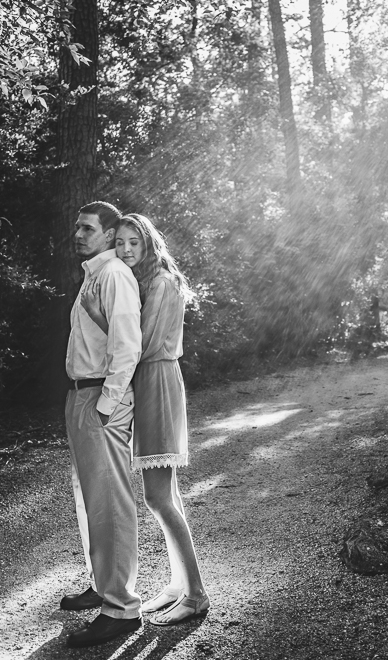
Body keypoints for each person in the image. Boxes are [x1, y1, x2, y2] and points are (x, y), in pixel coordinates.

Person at [114, 213, 209, 625]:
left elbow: (144, 344)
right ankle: (178, 584)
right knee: (168, 495)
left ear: (148, 242)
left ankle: (197, 595)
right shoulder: (147, 279)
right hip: (153, 381)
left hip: (156, 381)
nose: (125, 249)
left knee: (157, 497)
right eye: (120, 242)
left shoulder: (161, 283)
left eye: (133, 242)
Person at [60, 201, 143, 648]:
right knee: (89, 499)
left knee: (110, 502)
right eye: (77, 227)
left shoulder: (113, 274)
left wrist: (106, 406)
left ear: (109, 235)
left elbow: (127, 346)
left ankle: (122, 608)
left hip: (101, 399)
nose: (78, 234)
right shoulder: (93, 274)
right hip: (81, 394)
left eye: (88, 228)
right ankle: (103, 585)